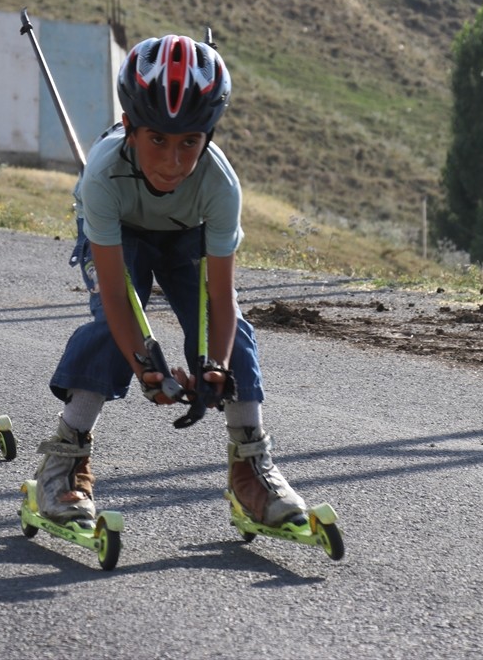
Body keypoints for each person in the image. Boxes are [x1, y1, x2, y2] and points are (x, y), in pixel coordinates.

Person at [35, 33, 309, 528]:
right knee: (112, 333)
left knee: (234, 337)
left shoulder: (219, 184)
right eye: (157, 139)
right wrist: (146, 369)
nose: (173, 161)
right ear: (129, 128)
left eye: (189, 143)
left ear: (209, 136)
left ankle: (251, 468)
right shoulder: (103, 174)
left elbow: (222, 301)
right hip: (121, 232)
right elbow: (118, 296)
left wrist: (216, 366)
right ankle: (63, 462)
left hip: (189, 235)